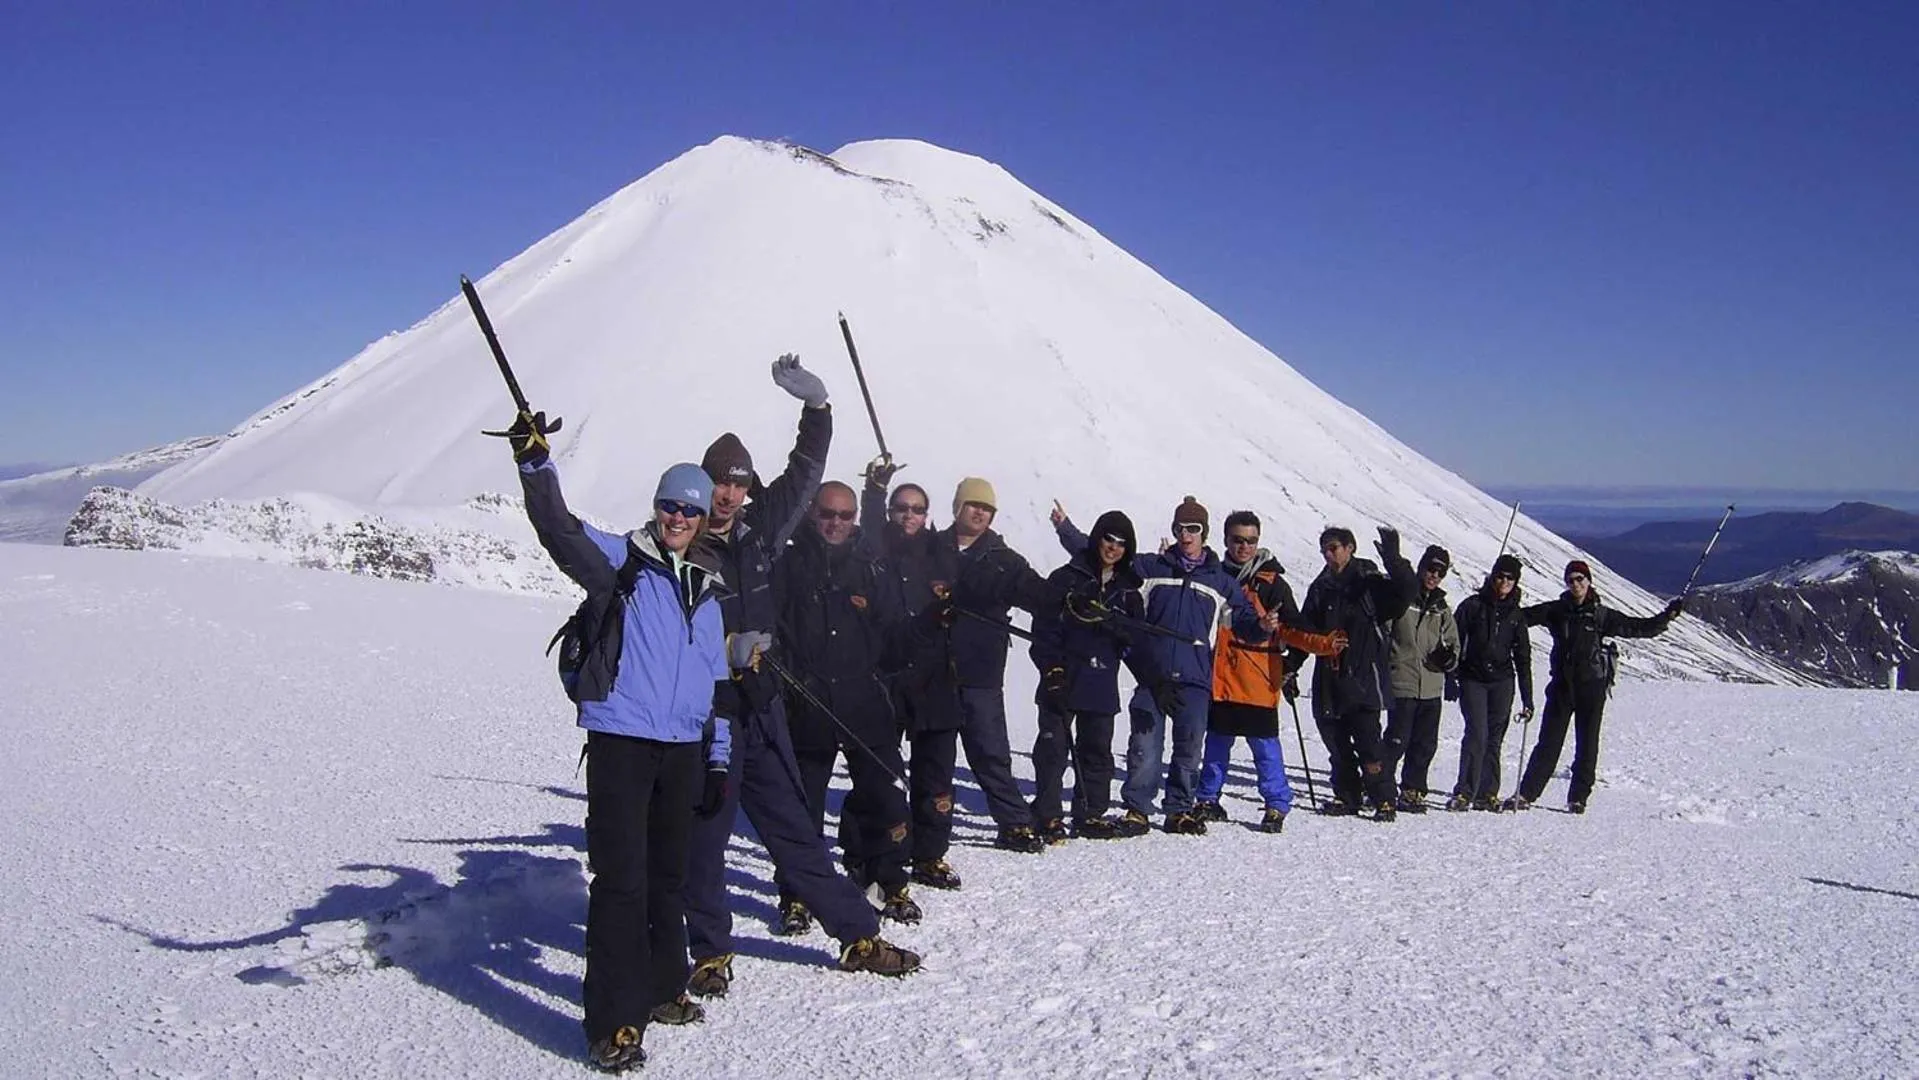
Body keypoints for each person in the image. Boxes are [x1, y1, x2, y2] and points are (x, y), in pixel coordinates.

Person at [680, 356, 917, 1002]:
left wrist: (818, 410)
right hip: (708, 716)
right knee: (707, 837)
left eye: (737, 485)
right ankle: (710, 951)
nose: (727, 495)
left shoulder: (759, 531)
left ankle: (857, 935)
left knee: (795, 829)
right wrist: (717, 651)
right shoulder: (681, 541)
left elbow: (806, 471)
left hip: (763, 706)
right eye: (718, 483)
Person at [506, 410, 733, 1075]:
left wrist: (717, 757)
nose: (676, 517)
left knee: (668, 879)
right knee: (620, 883)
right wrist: (534, 464)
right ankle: (614, 1020)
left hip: (683, 750)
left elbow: (716, 688)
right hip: (622, 742)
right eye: (668, 505)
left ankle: (663, 987)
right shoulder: (621, 562)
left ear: (703, 519)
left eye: (688, 510)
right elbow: (559, 529)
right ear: (656, 507)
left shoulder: (709, 593)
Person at [860, 469, 1058, 887]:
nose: (980, 513)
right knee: (924, 763)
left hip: (978, 668)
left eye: (987, 508)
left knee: (989, 750)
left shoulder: (1002, 558)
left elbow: (1036, 593)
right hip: (927, 671)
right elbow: (883, 539)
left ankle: (1013, 821)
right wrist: (875, 494)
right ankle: (897, 838)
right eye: (973, 505)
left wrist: (1065, 601)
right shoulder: (933, 546)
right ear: (957, 508)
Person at [1055, 496, 1266, 836]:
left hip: (1195, 678)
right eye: (1180, 528)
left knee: (1189, 747)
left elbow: (1243, 620)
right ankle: (1137, 809)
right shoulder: (1152, 568)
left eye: (1193, 529)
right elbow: (1107, 556)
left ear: (1204, 533)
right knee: (1144, 744)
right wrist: (1066, 529)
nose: (1186, 535)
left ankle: (1178, 810)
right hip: (1152, 675)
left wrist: (1263, 627)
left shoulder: (1220, 580)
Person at [775, 480, 918, 923]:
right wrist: (790, 682)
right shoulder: (789, 563)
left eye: (845, 515)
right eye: (827, 514)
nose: (835, 523)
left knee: (886, 796)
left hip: (864, 703)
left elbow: (895, 633)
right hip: (808, 703)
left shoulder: (871, 567)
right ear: (812, 514)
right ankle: (798, 893)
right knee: (803, 807)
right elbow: (773, 628)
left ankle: (887, 880)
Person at [1195, 511, 1347, 834]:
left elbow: (1294, 627)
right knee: (1217, 745)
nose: (1244, 547)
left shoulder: (1271, 584)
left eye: (1251, 540)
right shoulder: (1213, 575)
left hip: (1258, 679)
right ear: (1226, 540)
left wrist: (1324, 644)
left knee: (1265, 749)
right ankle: (1207, 798)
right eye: (1238, 540)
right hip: (1220, 678)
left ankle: (1276, 805)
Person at [1508, 560, 1683, 813]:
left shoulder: (1601, 615)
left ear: (1589, 581)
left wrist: (1667, 617)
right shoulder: (1556, 611)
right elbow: (1522, 618)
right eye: (1571, 580)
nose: (1575, 584)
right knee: (1548, 743)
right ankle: (1526, 794)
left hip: (1591, 688)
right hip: (1562, 687)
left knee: (1587, 744)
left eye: (1580, 579)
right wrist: (1507, 602)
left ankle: (1578, 798)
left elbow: (1637, 628)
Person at [1027, 510, 1150, 842]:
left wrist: (1121, 629)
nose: (1113, 548)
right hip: (1062, 678)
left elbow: (1136, 641)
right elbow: (1043, 630)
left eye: (1121, 543)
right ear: (1097, 538)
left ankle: (1090, 813)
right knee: (1052, 750)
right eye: (1108, 539)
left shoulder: (1128, 592)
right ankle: (1047, 814)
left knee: (1096, 750)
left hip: (1101, 680)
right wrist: (1051, 669)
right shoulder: (1065, 578)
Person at [1297, 525, 1418, 821]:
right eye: (1324, 549)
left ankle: (1383, 799)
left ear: (1350, 547)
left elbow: (1406, 594)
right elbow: (1305, 632)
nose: (1328, 555)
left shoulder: (1369, 582)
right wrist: (1289, 668)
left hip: (1364, 677)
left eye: (1334, 548)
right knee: (1336, 744)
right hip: (1329, 679)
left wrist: (1394, 560)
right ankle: (1346, 795)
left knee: (1369, 744)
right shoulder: (1320, 587)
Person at [1447, 553, 1534, 812]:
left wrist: (1528, 698)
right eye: (1500, 576)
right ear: (1492, 577)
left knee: (1494, 737)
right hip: (1473, 678)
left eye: (1510, 578)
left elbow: (1523, 657)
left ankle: (1487, 792)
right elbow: (1454, 642)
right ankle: (1465, 791)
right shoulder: (1473, 606)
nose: (1504, 582)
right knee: (1477, 734)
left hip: (1502, 681)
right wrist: (1451, 676)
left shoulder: (1515, 615)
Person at [1382, 544, 1461, 813]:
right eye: (1431, 569)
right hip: (1402, 679)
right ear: (1421, 567)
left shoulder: (1441, 607)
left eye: (1440, 572)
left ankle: (1413, 789)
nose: (1434, 575)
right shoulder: (1404, 598)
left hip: (1431, 684)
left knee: (1425, 743)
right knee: (1397, 739)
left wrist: (1449, 659)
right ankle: (1380, 787)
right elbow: (1384, 632)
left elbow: (1453, 642)